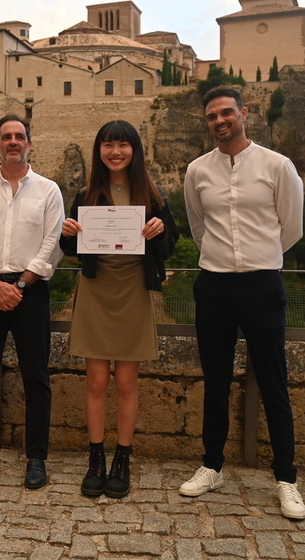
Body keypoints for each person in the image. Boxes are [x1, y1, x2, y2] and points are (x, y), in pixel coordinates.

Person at [182, 86, 305, 520]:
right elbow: (199, 227)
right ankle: (211, 466)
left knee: (274, 382)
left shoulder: (277, 165)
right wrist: (222, 258)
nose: (220, 121)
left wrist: (258, 259)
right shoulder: (197, 170)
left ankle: (286, 479)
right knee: (215, 381)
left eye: (227, 113)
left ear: (244, 114)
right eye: (213, 116)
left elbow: (290, 228)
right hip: (214, 285)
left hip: (261, 285)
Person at [59, 120, 178, 498]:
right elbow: (72, 252)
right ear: (99, 151)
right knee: (95, 381)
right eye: (108, 145)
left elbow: (170, 245)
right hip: (96, 290)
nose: (115, 152)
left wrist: (159, 230)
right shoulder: (86, 193)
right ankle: (96, 458)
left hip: (133, 290)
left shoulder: (153, 194)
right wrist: (68, 234)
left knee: (126, 382)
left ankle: (121, 459)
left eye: (123, 146)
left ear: (134, 150)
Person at [0, 114, 64, 489]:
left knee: (36, 377)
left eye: (20, 137)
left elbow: (51, 244)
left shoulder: (49, 191)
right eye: (6, 137)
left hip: (30, 289)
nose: (13, 142)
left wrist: (18, 285)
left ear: (30, 144)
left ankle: (36, 458)